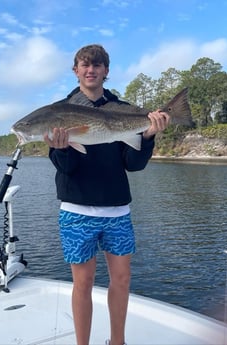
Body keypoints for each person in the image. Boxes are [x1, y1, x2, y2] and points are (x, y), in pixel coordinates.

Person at [44, 44, 170, 345]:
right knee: (83, 282)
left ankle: (118, 342)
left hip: (117, 211)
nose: (91, 70)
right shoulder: (58, 112)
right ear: (76, 71)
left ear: (106, 71)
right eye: (85, 65)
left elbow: (133, 164)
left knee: (122, 279)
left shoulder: (123, 111)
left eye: (97, 65)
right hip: (76, 211)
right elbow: (66, 169)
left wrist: (149, 135)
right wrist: (62, 147)